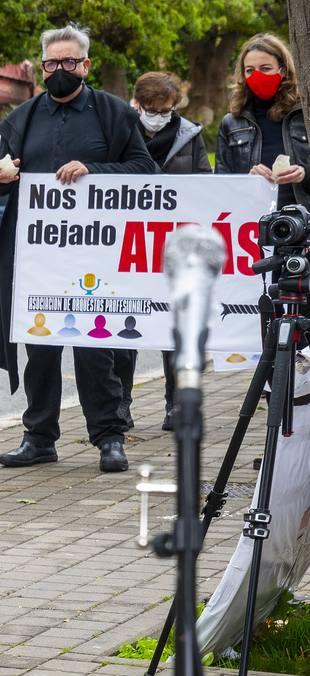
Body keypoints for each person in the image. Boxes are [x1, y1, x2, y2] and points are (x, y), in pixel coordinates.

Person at [0, 24, 158, 474]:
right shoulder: (22, 118)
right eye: (51, 63)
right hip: (36, 257)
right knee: (40, 348)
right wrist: (0, 177)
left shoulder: (113, 113)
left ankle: (109, 437)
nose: (59, 69)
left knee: (94, 347)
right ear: (41, 67)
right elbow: (3, 182)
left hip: (95, 256)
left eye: (69, 62)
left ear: (85, 64)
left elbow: (145, 168)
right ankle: (39, 437)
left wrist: (94, 170)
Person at [114, 71, 212, 432]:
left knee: (173, 328)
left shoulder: (190, 136)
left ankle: (174, 405)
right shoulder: (120, 130)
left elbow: (205, 181)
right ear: (137, 103)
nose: (159, 116)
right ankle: (120, 404)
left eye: (166, 110)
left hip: (173, 245)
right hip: (129, 245)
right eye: (152, 109)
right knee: (126, 328)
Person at [216, 33, 308, 210]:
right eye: (250, 70)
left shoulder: (304, 115)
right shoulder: (231, 122)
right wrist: (248, 178)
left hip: (303, 219)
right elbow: (221, 184)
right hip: (251, 221)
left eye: (265, 68)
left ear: (282, 71)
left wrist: (305, 172)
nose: (257, 75)